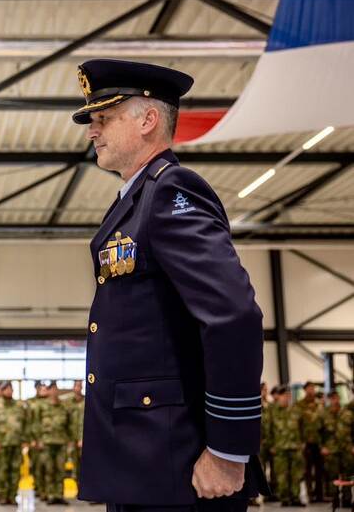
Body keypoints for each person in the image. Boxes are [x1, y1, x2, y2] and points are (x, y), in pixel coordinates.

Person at [72, 59, 267, 511]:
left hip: (180, 464)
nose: (91, 131)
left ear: (148, 120)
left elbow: (233, 315)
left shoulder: (171, 191)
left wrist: (227, 450)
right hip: (143, 461)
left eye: (103, 118)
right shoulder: (134, 201)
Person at [271, 386, 304, 506]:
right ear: (278, 396)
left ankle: (296, 498)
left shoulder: (296, 410)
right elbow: (267, 429)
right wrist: (271, 445)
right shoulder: (272, 410)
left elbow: (302, 427)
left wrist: (302, 443)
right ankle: (284, 498)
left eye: (288, 395)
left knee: (296, 474)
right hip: (279, 448)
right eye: (284, 395)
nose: (286, 397)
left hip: (295, 447)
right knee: (282, 475)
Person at [296, 382, 324, 502]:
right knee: (307, 470)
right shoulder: (299, 405)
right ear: (305, 390)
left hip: (318, 442)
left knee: (319, 470)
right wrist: (300, 442)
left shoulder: (320, 405)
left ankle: (319, 495)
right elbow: (297, 425)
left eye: (313, 388)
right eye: (309, 388)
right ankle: (310, 495)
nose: (311, 390)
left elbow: (324, 424)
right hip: (306, 442)